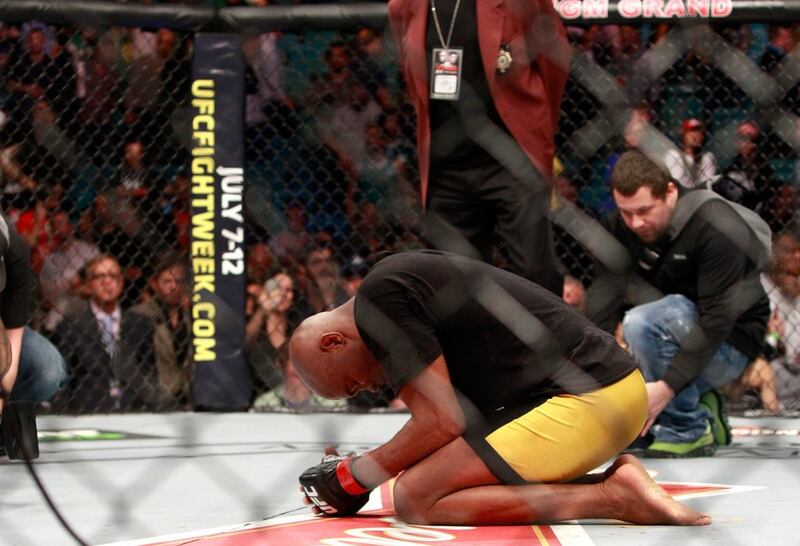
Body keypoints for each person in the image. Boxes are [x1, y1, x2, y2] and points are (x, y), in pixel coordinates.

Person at [290, 250, 710, 526]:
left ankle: (611, 497)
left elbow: (441, 421)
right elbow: (450, 425)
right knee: (426, 478)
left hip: (588, 398)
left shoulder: (380, 301)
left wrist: (353, 476)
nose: (366, 386)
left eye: (350, 383)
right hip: (590, 393)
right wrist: (359, 471)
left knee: (417, 498)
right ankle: (618, 484)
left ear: (334, 342)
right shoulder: (393, 286)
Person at [587, 151, 770, 457]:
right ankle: (694, 404)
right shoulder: (617, 228)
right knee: (632, 330)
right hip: (668, 336)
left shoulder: (717, 226)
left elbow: (716, 321)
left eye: (645, 210)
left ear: (670, 191)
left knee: (642, 321)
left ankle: (686, 427)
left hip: (731, 341)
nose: (636, 222)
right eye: (626, 212)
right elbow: (602, 309)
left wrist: (668, 387)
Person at [387, 0, 571, 295]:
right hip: (447, 165)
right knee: (451, 280)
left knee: (535, 272)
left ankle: (549, 340)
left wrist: (537, 125)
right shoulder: (405, 5)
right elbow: (411, 74)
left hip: (512, 158)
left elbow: (553, 58)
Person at [52, 254, 157, 412]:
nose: (107, 282)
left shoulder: (141, 323)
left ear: (121, 282)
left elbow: (149, 370)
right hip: (87, 411)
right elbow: (61, 379)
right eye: (99, 276)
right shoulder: (70, 327)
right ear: (88, 285)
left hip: (134, 409)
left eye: (113, 276)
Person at [0, 215, 67, 418]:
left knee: (48, 370)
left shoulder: (15, 250)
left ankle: (8, 421)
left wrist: (2, 397)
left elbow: (11, 339)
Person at [131, 253, 191, 410]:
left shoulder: (191, 316)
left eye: (178, 281)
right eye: (167, 281)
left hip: (188, 397)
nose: (173, 287)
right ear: (154, 284)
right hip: (155, 398)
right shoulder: (140, 315)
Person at [252, 343, 348, 413]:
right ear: (281, 364)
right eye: (294, 362)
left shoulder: (332, 402)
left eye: (306, 363)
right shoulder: (264, 403)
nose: (300, 369)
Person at [662, 118, 718, 189]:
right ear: (684, 134)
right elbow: (676, 183)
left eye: (700, 132)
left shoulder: (707, 157)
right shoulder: (673, 155)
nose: (697, 135)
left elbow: (707, 186)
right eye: (693, 131)